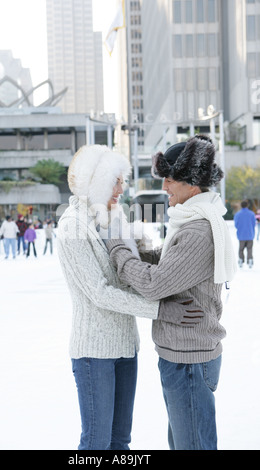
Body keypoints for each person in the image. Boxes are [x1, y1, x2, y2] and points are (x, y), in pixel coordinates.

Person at [56, 145, 200, 451]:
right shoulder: (72, 226)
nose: (122, 188)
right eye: (116, 181)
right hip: (95, 351)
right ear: (96, 182)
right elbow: (99, 292)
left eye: (122, 180)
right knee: (96, 441)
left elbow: (139, 267)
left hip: (125, 345)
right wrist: (160, 310)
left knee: (121, 441)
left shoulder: (114, 218)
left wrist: (181, 258)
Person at [102, 136, 237, 451]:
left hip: (188, 360)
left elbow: (155, 284)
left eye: (169, 178)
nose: (164, 186)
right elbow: (168, 261)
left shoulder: (197, 231)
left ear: (191, 185)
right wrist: (135, 243)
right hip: (186, 355)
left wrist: (119, 249)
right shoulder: (193, 222)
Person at [234, 200, 256, 268]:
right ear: (247, 205)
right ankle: (250, 260)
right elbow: (254, 224)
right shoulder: (252, 214)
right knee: (249, 248)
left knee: (241, 249)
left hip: (241, 234)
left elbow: (236, 225)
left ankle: (241, 260)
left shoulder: (237, 214)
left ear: (241, 205)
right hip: (250, 234)